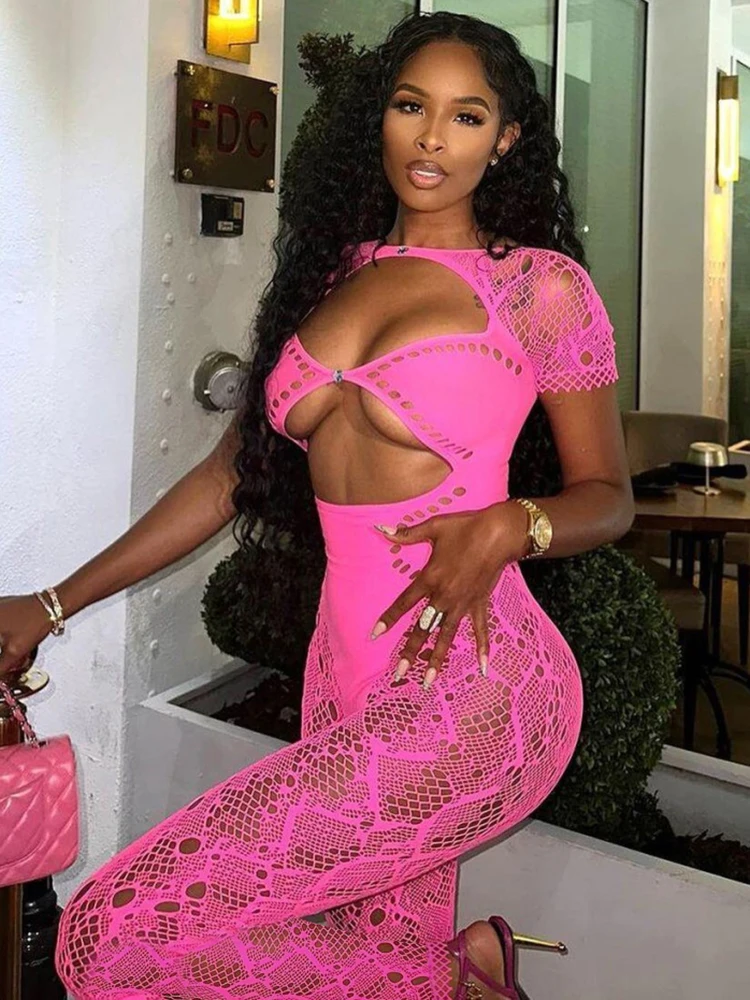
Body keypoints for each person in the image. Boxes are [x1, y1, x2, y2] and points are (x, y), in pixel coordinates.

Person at [0, 11, 634, 999]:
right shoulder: (329, 275)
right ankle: (461, 973)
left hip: (472, 684)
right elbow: (229, 478)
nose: (432, 138)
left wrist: (516, 522)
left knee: (111, 932)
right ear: (379, 115)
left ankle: (459, 978)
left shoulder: (540, 291)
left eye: (467, 116)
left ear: (506, 139)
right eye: (411, 105)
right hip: (343, 675)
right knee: (366, 953)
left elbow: (608, 497)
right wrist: (49, 605)